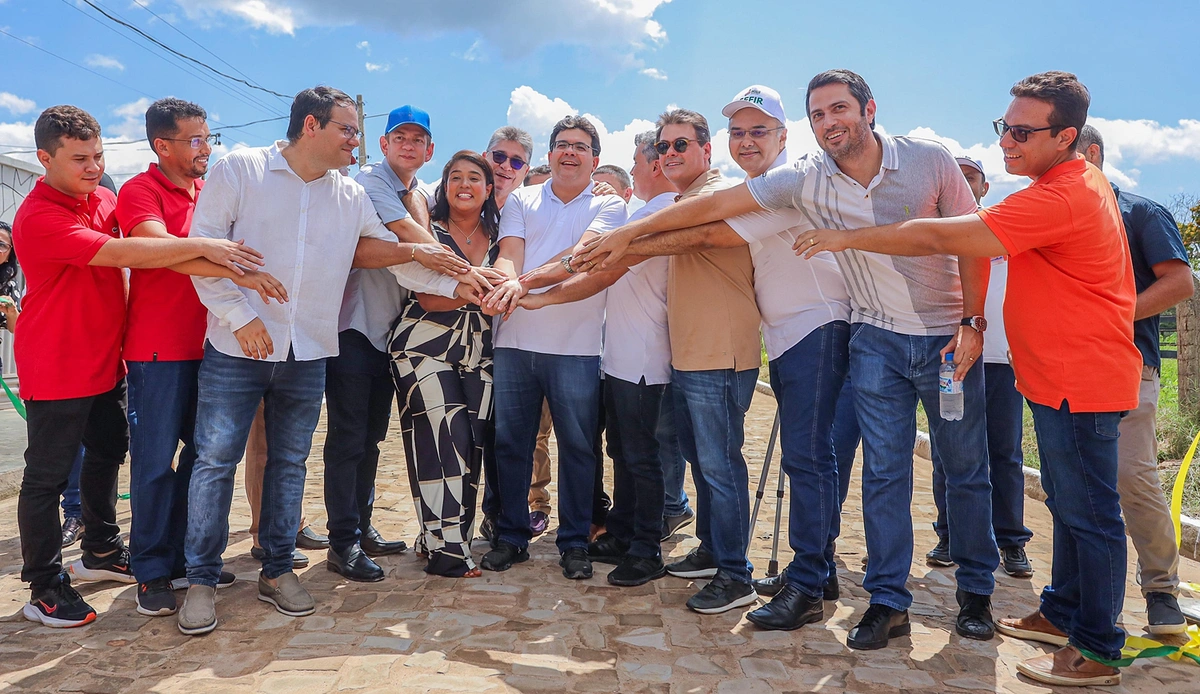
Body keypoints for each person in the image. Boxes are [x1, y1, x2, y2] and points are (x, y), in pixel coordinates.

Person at [578, 70, 998, 646]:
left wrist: (973, 321)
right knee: (880, 473)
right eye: (819, 114)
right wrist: (624, 238)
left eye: (838, 109)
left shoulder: (893, 165)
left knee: (957, 466)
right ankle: (877, 597)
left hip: (901, 336)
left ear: (868, 109)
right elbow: (715, 210)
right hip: (865, 335)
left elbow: (973, 237)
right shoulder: (806, 179)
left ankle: (972, 591)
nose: (829, 122)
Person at [795, 71, 1136, 687]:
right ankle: (1059, 614)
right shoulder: (1071, 179)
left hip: (1079, 378)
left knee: (1090, 515)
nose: (1007, 140)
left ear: (1066, 137)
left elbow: (943, 235)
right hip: (1054, 376)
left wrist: (844, 239)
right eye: (1004, 126)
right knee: (1066, 504)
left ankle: (1098, 648)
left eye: (1023, 131)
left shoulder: (1060, 194)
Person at [178, 86, 488, 636]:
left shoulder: (347, 195)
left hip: (309, 349)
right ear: (311, 127)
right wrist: (239, 316)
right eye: (348, 129)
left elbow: (375, 253)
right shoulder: (241, 170)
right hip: (237, 346)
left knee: (290, 464)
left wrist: (454, 275)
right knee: (214, 462)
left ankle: (277, 571)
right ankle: (201, 579)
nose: (356, 140)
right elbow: (203, 248)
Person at [14, 105, 281, 629]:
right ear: (44, 158)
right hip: (58, 363)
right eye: (79, 159)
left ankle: (102, 550)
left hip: (105, 361)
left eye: (97, 156)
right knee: (46, 478)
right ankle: (44, 586)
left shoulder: (103, 198)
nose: (93, 167)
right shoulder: (41, 216)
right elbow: (127, 252)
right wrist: (213, 250)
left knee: (109, 454)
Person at [580, 108, 764, 615]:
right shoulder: (683, 199)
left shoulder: (714, 192)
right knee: (704, 467)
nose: (670, 154)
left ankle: (735, 574)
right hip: (690, 353)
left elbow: (700, 235)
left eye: (681, 145)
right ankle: (711, 551)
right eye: (663, 147)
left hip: (719, 352)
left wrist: (623, 240)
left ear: (707, 150)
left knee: (720, 467)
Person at [516, 130, 679, 586]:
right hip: (620, 356)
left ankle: (646, 549)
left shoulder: (659, 212)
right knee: (624, 452)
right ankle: (624, 534)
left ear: (651, 166)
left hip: (647, 355)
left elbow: (598, 272)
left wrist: (538, 296)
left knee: (642, 456)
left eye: (637, 159)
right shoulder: (640, 210)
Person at [477, 115, 626, 581]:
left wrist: (521, 289)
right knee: (511, 445)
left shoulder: (610, 208)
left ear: (594, 159)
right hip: (514, 343)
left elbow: (579, 258)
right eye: (562, 144)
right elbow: (509, 252)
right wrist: (507, 279)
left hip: (577, 348)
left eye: (580, 147)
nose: (569, 152)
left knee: (579, 448)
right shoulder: (522, 198)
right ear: (550, 153)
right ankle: (512, 536)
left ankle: (575, 541)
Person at [116, 98, 246, 615]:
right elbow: (155, 246)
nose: (205, 149)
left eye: (208, 138)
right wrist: (216, 252)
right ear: (161, 145)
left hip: (213, 346)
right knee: (153, 464)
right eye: (195, 140)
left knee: (203, 462)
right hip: (157, 352)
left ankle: (190, 562)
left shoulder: (209, 189)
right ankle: (149, 569)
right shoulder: (139, 190)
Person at [323, 104, 456, 583]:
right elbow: (408, 238)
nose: (408, 145)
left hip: (391, 331)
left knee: (372, 439)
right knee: (348, 439)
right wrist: (466, 275)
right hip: (355, 326)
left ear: (429, 150)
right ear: (382, 144)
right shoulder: (369, 182)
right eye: (399, 137)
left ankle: (361, 527)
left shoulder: (420, 193)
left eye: (418, 139)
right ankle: (343, 543)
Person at [1078, 124, 1193, 634]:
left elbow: (1180, 282)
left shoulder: (1140, 213)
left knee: (1132, 478)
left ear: (1092, 152)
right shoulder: (1052, 215)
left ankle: (1161, 591)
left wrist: (1114, 318)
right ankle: (1076, 600)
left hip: (1128, 367)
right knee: (1074, 486)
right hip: (1065, 373)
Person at [390, 150, 502, 578]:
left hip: (480, 350)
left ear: (488, 189)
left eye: (475, 177)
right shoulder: (427, 233)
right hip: (423, 345)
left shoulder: (503, 233)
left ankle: (438, 535)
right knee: (442, 437)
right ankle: (449, 552)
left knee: (471, 442)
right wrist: (480, 290)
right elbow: (429, 297)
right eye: (455, 177)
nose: (465, 184)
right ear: (444, 185)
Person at [925, 157, 1034, 578]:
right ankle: (950, 534)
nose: (964, 184)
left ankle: (1010, 542)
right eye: (957, 176)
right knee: (946, 452)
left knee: (1005, 453)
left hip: (1003, 362)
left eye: (971, 177)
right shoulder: (940, 237)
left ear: (985, 187)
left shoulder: (1006, 232)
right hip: (954, 363)